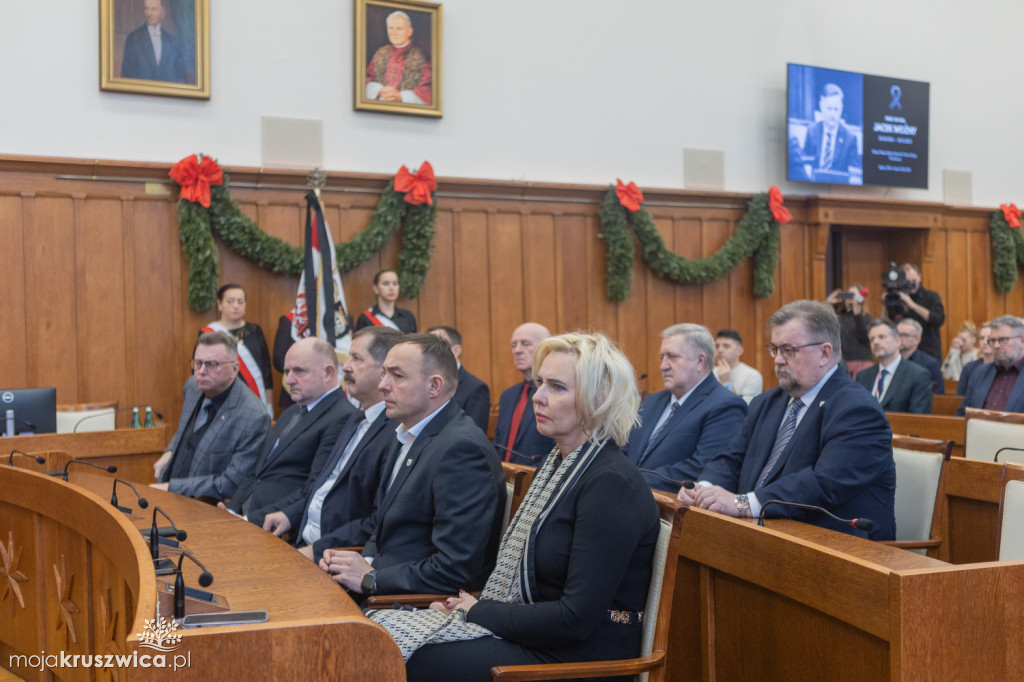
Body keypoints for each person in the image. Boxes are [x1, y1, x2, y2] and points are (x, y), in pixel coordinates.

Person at [369, 332, 659, 681]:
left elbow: (575, 619)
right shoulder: (557, 467)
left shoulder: (611, 484)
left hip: (578, 660)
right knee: (377, 634)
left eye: (557, 387)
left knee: (404, 657)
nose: (538, 397)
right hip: (539, 639)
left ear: (598, 398)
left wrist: (479, 611)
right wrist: (470, 606)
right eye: (540, 383)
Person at [679, 300, 896, 540]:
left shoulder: (857, 409)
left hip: (839, 548)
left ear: (824, 353)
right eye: (775, 349)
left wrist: (742, 503)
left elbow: (823, 484)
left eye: (788, 350)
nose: (778, 360)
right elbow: (733, 458)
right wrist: (704, 489)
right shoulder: (767, 402)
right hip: (766, 534)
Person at [319, 333, 506, 598]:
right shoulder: (406, 432)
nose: (383, 385)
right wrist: (355, 564)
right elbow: (382, 530)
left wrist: (370, 577)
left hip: (413, 604)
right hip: (384, 588)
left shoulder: (462, 450)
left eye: (397, 375)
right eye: (384, 373)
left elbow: (455, 570)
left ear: (434, 386)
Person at [262, 327, 403, 561]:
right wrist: (290, 514)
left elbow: (375, 522)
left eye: (356, 359)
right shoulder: (355, 419)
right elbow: (323, 487)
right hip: (301, 541)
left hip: (333, 557)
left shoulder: (395, 432)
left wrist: (316, 551)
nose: (345, 367)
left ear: (384, 371)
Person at [224, 338, 356, 525]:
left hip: (277, 530)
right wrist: (230, 511)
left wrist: (248, 520)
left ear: (328, 373)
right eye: (287, 371)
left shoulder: (342, 417)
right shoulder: (291, 412)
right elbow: (257, 473)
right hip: (245, 520)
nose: (289, 380)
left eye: (299, 371)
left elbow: (313, 490)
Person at [624, 324, 747, 492]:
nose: (663, 366)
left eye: (672, 357)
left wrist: (629, 480)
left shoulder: (725, 406)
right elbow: (626, 449)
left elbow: (701, 467)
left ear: (700, 361)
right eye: (662, 357)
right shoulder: (652, 401)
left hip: (673, 509)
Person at [152, 332, 270, 499]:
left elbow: (230, 484)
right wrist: (170, 451)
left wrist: (173, 488)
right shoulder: (192, 387)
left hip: (205, 510)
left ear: (235, 369)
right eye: (198, 363)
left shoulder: (254, 417)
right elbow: (187, 431)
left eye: (212, 364)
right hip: (168, 497)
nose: (201, 371)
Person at [202, 283, 274, 417]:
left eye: (240, 301)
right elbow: (201, 372)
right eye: (230, 301)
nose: (236, 305)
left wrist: (269, 405)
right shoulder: (209, 334)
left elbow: (266, 371)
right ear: (219, 305)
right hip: (223, 402)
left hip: (255, 401)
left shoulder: (255, 331)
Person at [493, 323, 556, 465]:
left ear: (545, 350)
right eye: (513, 345)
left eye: (525, 344)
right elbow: (497, 444)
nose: (517, 350)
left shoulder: (554, 394)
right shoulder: (507, 396)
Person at [856, 320, 933, 414]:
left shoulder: (918, 375)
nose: (875, 342)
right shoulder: (863, 376)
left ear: (897, 341)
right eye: (872, 339)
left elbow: (918, 419)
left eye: (881, 337)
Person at [957, 315, 1024, 416]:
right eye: (992, 340)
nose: (996, 346)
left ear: (1022, 341)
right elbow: (963, 414)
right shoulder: (980, 373)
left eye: (1003, 340)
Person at [428, 325, 491, 433]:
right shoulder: (426, 383)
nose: (430, 352)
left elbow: (474, 434)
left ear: (456, 351)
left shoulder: (475, 388)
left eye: (438, 345)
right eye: (428, 347)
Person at [792, 83, 861, 181]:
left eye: (836, 109)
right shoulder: (811, 131)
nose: (833, 114)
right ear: (822, 106)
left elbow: (854, 175)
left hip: (839, 189)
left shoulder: (850, 138)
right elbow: (805, 163)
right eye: (829, 108)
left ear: (841, 109)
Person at [365, 11, 433, 106]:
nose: (394, 33)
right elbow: (365, 80)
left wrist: (401, 97)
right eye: (391, 28)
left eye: (399, 28)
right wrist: (379, 90)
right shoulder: (380, 53)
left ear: (409, 32)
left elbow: (428, 90)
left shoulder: (421, 57)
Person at [120, 0, 190, 83]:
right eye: (146, 9)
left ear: (162, 13)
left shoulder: (173, 43)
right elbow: (126, 77)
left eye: (154, 9)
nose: (149, 14)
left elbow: (181, 79)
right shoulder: (133, 39)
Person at [886, 263, 945, 361]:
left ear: (920, 277)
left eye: (914, 281)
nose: (911, 285)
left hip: (928, 352)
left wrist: (913, 305)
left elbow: (939, 319)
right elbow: (888, 323)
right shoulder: (898, 298)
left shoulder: (931, 297)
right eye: (907, 282)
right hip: (902, 354)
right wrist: (886, 302)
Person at [825, 284, 873, 377]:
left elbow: (864, 337)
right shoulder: (839, 317)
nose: (851, 299)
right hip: (843, 362)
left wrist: (857, 314)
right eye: (849, 295)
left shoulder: (866, 317)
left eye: (854, 295)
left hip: (862, 362)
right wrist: (828, 303)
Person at [355, 269, 417, 333]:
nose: (391, 288)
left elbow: (414, 342)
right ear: (376, 288)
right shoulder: (366, 318)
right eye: (386, 283)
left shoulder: (408, 316)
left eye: (395, 283)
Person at [713, 328, 764, 403]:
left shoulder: (752, 376)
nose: (720, 350)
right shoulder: (710, 373)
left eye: (726, 346)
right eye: (717, 346)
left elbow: (744, 410)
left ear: (739, 351)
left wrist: (726, 383)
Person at [897, 319, 944, 394]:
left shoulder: (930, 363)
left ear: (917, 340)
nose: (899, 338)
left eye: (904, 335)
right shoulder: (889, 360)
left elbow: (938, 395)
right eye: (897, 334)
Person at [957, 323, 992, 396]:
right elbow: (960, 398)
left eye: (990, 338)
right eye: (982, 338)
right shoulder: (969, 368)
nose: (985, 342)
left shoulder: (1004, 368)